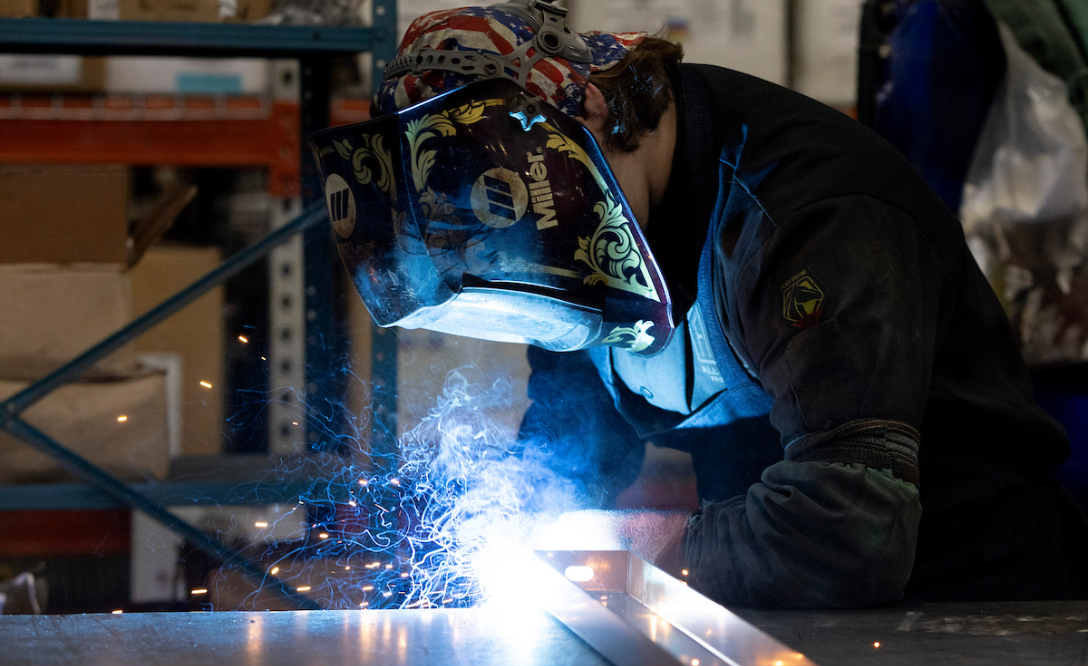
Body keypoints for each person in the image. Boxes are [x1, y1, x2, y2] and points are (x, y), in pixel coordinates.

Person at [312, 0, 1088, 607]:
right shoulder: (583, 232)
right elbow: (570, 439)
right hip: (802, 615)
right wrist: (520, 521)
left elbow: (848, 532)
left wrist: (630, 550)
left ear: (588, 118)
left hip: (979, 605)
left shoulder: (811, 219)